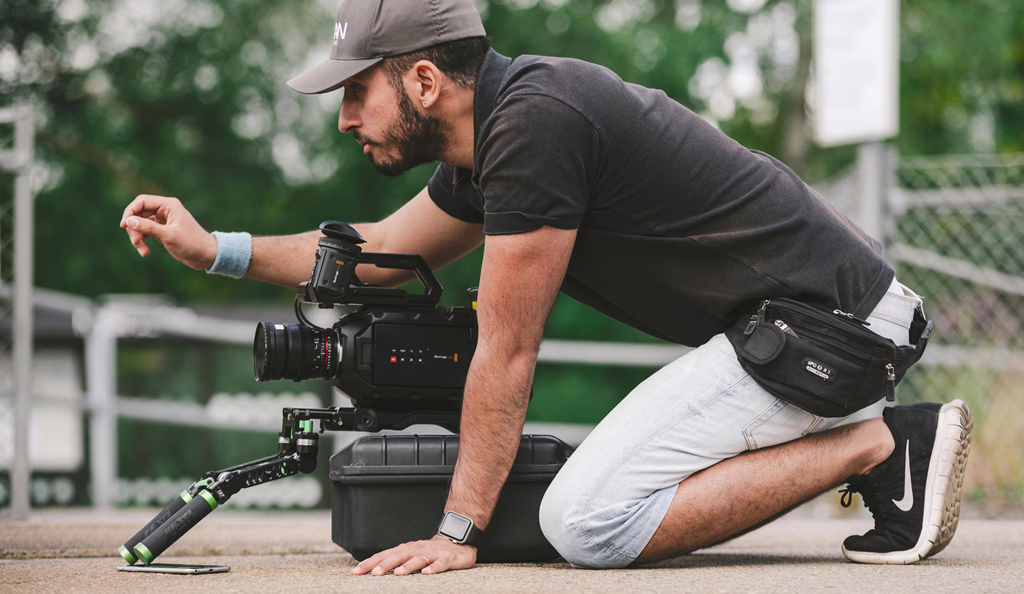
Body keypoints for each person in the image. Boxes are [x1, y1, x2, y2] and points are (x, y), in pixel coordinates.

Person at [120, 0, 973, 575]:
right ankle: (880, 443)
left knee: (587, 524)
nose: (344, 118)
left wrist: (458, 533)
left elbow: (509, 345)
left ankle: (887, 446)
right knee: (591, 512)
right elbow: (376, 253)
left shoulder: (534, 126)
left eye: (356, 92)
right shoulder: (501, 135)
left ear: (422, 81)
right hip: (799, 330)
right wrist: (214, 251)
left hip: (830, 333)